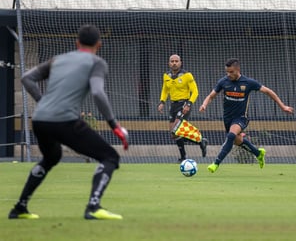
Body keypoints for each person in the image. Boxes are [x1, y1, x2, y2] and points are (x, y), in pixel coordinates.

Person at [9, 24, 129, 220]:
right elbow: (98, 92)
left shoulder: (58, 60)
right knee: (109, 157)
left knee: (50, 158)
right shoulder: (96, 62)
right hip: (64, 120)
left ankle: (19, 208)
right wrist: (114, 126)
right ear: (99, 44)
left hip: (40, 119)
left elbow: (26, 78)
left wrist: (43, 101)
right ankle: (93, 207)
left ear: (77, 43)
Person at [199, 58, 294, 173]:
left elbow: (268, 91)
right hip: (227, 118)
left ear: (238, 70)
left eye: (231, 72)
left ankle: (216, 163)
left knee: (231, 136)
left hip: (241, 118)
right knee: (237, 140)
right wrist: (204, 104)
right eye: (227, 72)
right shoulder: (223, 82)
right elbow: (211, 95)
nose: (228, 74)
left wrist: (283, 106)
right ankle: (258, 153)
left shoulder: (248, 82)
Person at [157, 54, 207, 162]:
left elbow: (195, 91)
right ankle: (200, 142)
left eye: (176, 61)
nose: (174, 63)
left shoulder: (187, 75)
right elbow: (165, 90)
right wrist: (162, 102)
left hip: (184, 104)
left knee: (176, 130)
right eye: (172, 61)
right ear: (169, 63)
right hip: (173, 105)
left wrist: (189, 104)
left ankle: (185, 155)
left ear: (180, 62)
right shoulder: (166, 76)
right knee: (173, 134)